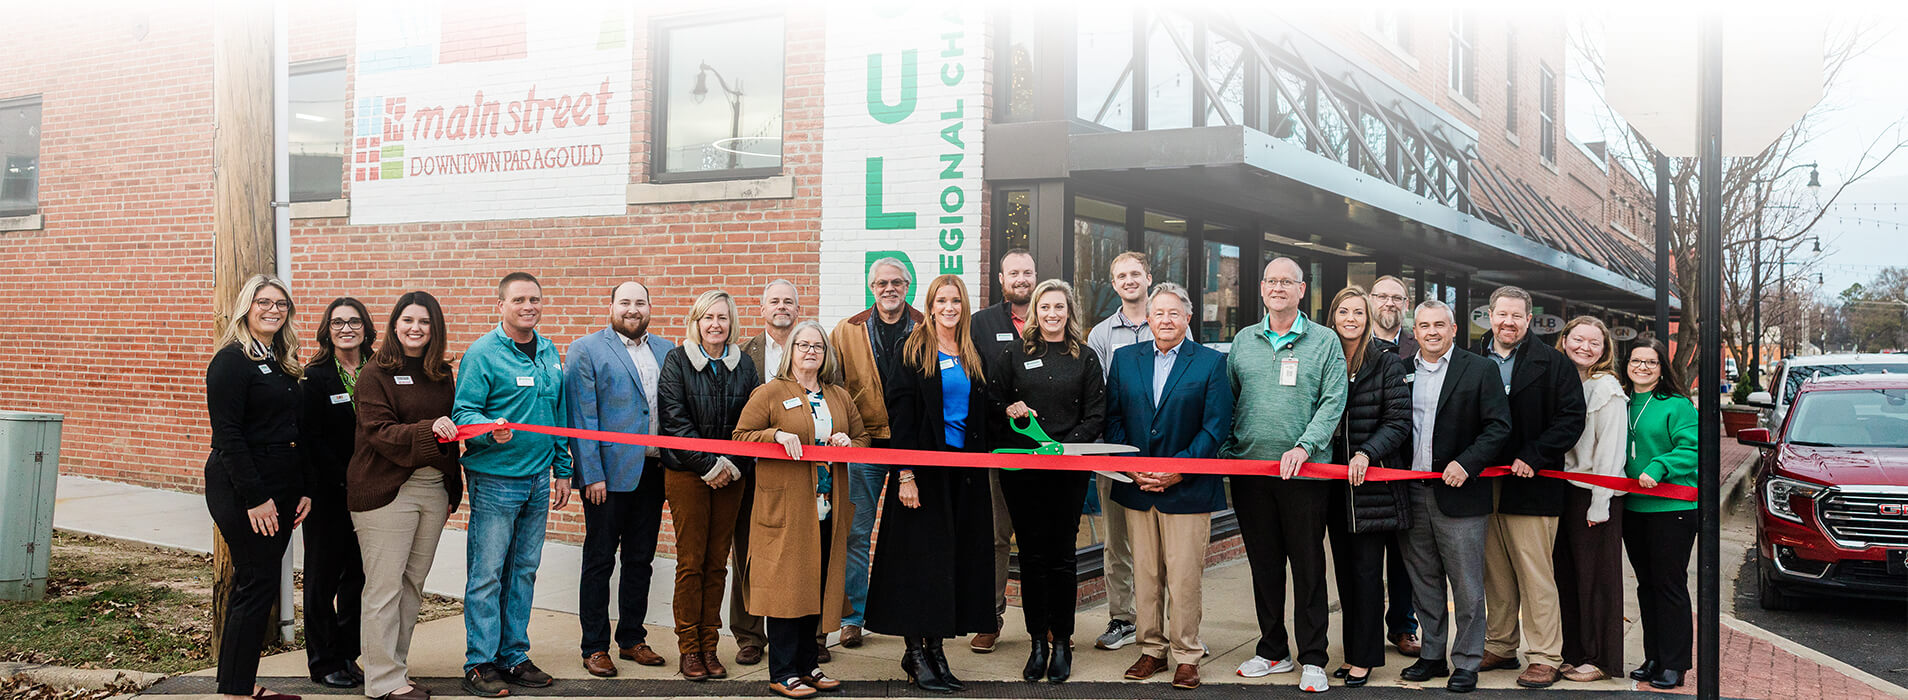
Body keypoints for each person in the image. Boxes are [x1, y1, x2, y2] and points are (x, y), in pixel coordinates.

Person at [865, 274, 997, 693]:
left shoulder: (972, 352)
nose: (949, 308)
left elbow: (982, 413)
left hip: (963, 478)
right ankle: (916, 654)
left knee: (948, 566)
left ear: (964, 306)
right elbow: (901, 416)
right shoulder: (913, 349)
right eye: (942, 301)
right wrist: (905, 474)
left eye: (955, 300)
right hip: (923, 476)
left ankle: (936, 651)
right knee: (918, 565)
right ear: (931, 306)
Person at [1222, 257, 1348, 693]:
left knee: (1308, 567)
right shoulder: (1243, 340)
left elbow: (1333, 401)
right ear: (1261, 288)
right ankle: (1273, 650)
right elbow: (1229, 400)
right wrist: (1229, 451)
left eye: (1287, 282)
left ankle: (1313, 657)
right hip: (1251, 473)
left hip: (1305, 475)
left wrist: (1304, 446)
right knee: (1265, 566)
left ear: (1301, 289)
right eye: (1271, 281)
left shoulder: (1325, 341)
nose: (1278, 288)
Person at [1108, 283, 1234, 691]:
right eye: (1158, 313)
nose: (1165, 320)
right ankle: (1151, 650)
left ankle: (1187, 654)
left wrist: (1178, 470)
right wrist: (1132, 469)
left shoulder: (1210, 363)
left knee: (1183, 578)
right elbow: (1113, 420)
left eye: (1174, 313)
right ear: (1148, 318)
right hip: (1138, 487)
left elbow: (1215, 427)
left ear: (1188, 319)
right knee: (1146, 575)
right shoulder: (1125, 360)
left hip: (1188, 489)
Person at [732, 320, 867, 699]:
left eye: (818, 346)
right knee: (785, 590)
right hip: (787, 510)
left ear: (826, 354)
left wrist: (848, 442)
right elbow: (740, 437)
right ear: (790, 350)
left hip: (827, 509)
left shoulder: (839, 396)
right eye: (803, 345)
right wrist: (775, 434)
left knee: (816, 587)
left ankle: (808, 666)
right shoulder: (770, 393)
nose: (811, 351)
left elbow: (863, 438)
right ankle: (783, 671)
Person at [452, 272, 571, 698]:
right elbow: (463, 413)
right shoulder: (483, 353)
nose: (528, 306)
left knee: (523, 571)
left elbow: (557, 414)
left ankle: (513, 655)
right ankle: (480, 662)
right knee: (487, 575)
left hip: (538, 479)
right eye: (519, 299)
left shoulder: (549, 351)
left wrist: (563, 469)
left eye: (534, 299)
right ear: (500, 305)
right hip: (496, 480)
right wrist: (489, 429)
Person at [986, 279, 1106, 683]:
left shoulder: (1085, 358)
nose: (1052, 314)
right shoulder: (1013, 354)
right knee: (1032, 558)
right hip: (1023, 474)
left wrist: (1062, 449)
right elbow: (992, 403)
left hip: (1067, 472)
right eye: (1045, 307)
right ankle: (1037, 642)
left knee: (1062, 558)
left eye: (1059, 307)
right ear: (1035, 311)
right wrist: (1010, 409)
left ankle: (1062, 643)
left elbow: (1096, 415)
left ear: (1070, 312)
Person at [350, 291, 463, 700]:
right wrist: (429, 428)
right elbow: (379, 432)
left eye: (425, 322)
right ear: (395, 324)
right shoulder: (374, 374)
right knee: (384, 588)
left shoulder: (441, 374)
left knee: (412, 584)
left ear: (435, 328)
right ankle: (382, 682)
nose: (416, 328)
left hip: (433, 488)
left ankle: (394, 669)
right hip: (385, 489)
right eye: (408, 320)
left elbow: (455, 430)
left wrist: (452, 486)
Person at [1395, 300, 1513, 694]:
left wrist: (1467, 463)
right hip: (1412, 492)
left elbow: (1498, 427)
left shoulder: (1479, 369)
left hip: (1460, 494)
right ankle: (1431, 655)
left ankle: (1466, 660)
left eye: (1439, 325)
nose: (1431, 332)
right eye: (1424, 325)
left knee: (1467, 586)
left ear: (1453, 329)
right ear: (1415, 331)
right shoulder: (1402, 369)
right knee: (1424, 580)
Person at [204, 273, 310, 700]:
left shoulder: (281, 360)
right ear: (246, 307)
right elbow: (228, 435)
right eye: (263, 302)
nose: (273, 310)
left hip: (281, 485)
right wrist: (256, 498)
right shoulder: (231, 361)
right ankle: (236, 691)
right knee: (255, 581)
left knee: (258, 583)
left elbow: (293, 429)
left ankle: (238, 685)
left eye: (281, 304)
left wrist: (303, 488)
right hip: (244, 488)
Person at [564, 281, 674, 678]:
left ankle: (631, 638)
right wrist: (591, 473)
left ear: (650, 307)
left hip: (653, 472)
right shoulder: (587, 349)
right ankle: (594, 646)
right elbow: (582, 417)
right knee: (599, 561)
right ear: (611, 307)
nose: (632, 309)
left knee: (640, 561)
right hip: (607, 478)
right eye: (625, 302)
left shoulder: (667, 350)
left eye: (640, 302)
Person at [1479, 287, 1586, 689]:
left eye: (1516, 316)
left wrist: (1535, 455)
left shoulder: (1555, 364)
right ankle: (1500, 644)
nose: (1508, 322)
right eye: (1501, 314)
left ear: (1529, 319)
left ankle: (1544, 655)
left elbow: (1572, 418)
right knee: (1495, 572)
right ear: (1490, 316)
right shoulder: (1471, 358)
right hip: (1482, 482)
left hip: (1533, 483)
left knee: (1535, 574)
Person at [659, 290, 761, 681]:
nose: (715, 324)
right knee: (691, 563)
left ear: (731, 322)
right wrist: (709, 465)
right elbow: (674, 420)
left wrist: (733, 466)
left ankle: (709, 646)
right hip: (688, 475)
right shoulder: (677, 360)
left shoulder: (744, 364)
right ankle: (689, 648)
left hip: (731, 476)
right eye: (708, 317)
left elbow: (753, 419)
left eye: (722, 317)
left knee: (718, 564)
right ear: (696, 322)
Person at [828, 260, 920, 657]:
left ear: (907, 285)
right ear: (871, 286)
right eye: (881, 282)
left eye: (896, 282)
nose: (889, 288)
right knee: (856, 533)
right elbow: (832, 385)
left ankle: (907, 614)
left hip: (911, 446)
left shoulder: (925, 327)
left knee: (910, 536)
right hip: (864, 445)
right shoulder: (847, 330)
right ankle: (853, 618)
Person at [1323, 286, 1412, 688]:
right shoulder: (1323, 358)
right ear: (1333, 316)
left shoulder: (1385, 363)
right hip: (1331, 485)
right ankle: (1352, 652)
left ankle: (1365, 657)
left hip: (1370, 486)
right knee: (1345, 575)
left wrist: (1366, 453)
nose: (1351, 319)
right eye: (1344, 311)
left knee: (1366, 574)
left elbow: (1398, 421)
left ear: (1369, 317)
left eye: (1359, 312)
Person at [299, 297, 371, 689]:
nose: (347, 329)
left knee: (358, 578)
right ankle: (323, 660)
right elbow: (309, 439)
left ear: (366, 328)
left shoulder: (378, 370)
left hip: (371, 493)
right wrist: (340, 477)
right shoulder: (314, 377)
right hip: (328, 494)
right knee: (322, 580)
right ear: (327, 330)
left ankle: (347, 654)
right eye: (338, 322)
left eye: (354, 321)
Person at [1083, 251, 1153, 652]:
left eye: (1135, 273)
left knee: (1160, 543)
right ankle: (1122, 618)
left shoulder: (1168, 319)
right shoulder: (1100, 334)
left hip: (1160, 454)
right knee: (1117, 542)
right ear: (1113, 284)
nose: (1129, 280)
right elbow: (1100, 397)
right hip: (1113, 454)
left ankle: (1165, 621)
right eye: (1121, 275)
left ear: (1148, 277)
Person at [969, 248, 1038, 652]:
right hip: (998, 447)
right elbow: (976, 381)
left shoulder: (1051, 316)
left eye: (1027, 272)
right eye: (1013, 273)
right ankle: (990, 619)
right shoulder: (982, 323)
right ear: (1001, 279)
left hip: (1043, 450)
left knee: (1036, 538)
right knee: (996, 538)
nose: (1021, 279)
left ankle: (1042, 623)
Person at [1620, 338, 1699, 690]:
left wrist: (1660, 465)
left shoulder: (1676, 405)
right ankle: (1653, 657)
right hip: (1633, 507)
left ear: (1661, 368)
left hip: (1672, 508)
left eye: (1650, 362)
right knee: (1646, 585)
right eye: (1636, 361)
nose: (1642, 367)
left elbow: (1693, 448)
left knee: (1669, 585)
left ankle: (1674, 664)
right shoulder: (1621, 402)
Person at [1552, 316, 1628, 682]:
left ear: (1604, 350)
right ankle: (1575, 652)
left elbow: (1610, 452)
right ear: (1564, 340)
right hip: (1565, 492)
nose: (1585, 347)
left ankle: (1601, 659)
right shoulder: (1564, 381)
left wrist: (1601, 503)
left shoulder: (1606, 388)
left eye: (1594, 343)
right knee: (1568, 577)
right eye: (1578, 339)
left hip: (1595, 495)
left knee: (1597, 580)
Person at [733, 279, 802, 663]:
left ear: (797, 309)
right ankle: (749, 636)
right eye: (774, 301)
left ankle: (809, 636)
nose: (781, 307)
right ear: (762, 309)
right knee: (747, 553)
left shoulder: (814, 348)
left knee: (803, 551)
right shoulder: (743, 354)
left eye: (788, 301)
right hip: (754, 470)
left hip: (802, 472)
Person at [1366, 274, 1421, 658]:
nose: (1389, 303)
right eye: (1382, 296)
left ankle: (1403, 626)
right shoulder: (1351, 344)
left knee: (1405, 557)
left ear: (1406, 304)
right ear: (1371, 300)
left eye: (1397, 298)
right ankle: (1365, 633)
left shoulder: (1420, 347)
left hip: (1408, 466)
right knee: (1365, 560)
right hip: (1361, 465)